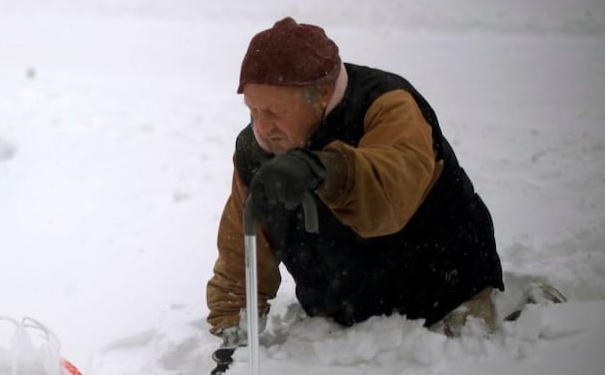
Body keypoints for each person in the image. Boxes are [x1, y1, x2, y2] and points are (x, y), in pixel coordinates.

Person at [206, 17, 504, 347]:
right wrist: (232, 320)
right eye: (253, 111)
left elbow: (388, 197)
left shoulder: (387, 104)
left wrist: (321, 171)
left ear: (322, 94)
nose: (262, 127)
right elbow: (244, 241)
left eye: (275, 112)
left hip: (442, 305)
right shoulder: (256, 150)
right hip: (341, 323)